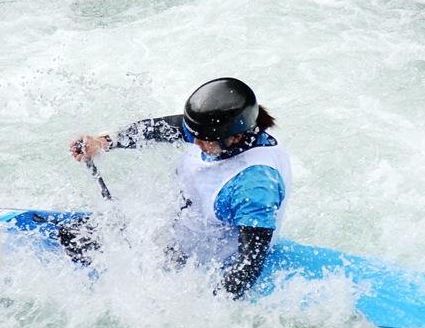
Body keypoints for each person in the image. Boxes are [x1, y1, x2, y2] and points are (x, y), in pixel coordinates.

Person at [67, 77, 291, 298]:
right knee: (72, 235)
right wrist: (104, 143)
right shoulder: (217, 132)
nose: (194, 142)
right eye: (194, 135)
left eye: (202, 140)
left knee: (77, 244)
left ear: (236, 138)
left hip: (201, 267)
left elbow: (248, 265)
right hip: (178, 236)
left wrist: (203, 308)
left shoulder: (254, 188)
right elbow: (159, 129)